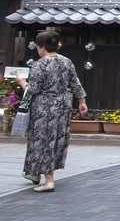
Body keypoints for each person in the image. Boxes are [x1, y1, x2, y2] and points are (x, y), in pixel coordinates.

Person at [15, 30, 88, 193]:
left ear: (41, 47)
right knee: (56, 139)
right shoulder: (66, 62)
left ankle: (48, 180)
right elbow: (75, 83)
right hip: (62, 106)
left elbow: (33, 89)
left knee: (41, 140)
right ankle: (34, 173)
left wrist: (21, 82)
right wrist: (82, 101)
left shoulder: (39, 64)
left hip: (44, 107)